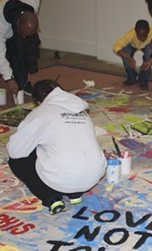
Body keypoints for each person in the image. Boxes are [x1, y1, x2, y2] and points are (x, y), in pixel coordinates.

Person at [7, 80, 107, 215]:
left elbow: (15, 150)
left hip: (64, 178)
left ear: (38, 101)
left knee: (17, 160)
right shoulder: (82, 111)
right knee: (69, 148)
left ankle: (51, 198)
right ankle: (75, 194)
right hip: (92, 176)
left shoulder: (42, 112)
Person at [0, 0, 43, 107]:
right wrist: (8, 78)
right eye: (23, 33)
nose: (24, 37)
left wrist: (18, 79)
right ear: (17, 23)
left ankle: (21, 84)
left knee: (21, 45)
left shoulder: (33, 0)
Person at [113, 19, 152, 90]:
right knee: (125, 54)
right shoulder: (130, 35)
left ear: (148, 31)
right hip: (132, 45)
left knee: (150, 54)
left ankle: (143, 81)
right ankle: (132, 77)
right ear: (135, 31)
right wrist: (129, 58)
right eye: (139, 36)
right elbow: (116, 47)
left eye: (144, 36)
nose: (142, 38)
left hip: (146, 45)